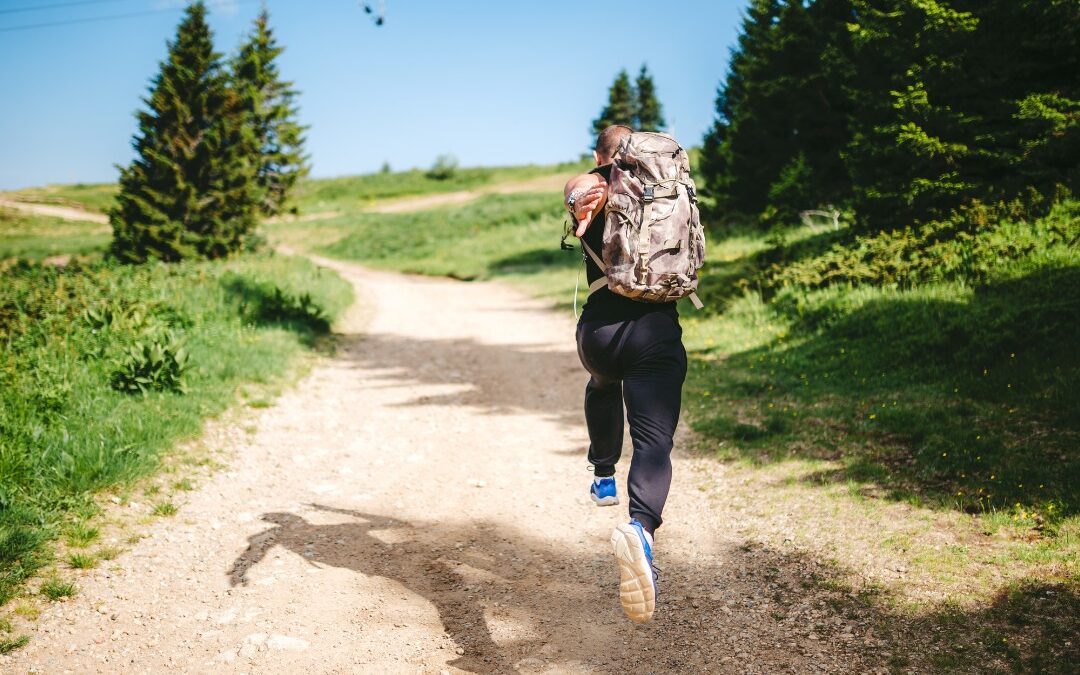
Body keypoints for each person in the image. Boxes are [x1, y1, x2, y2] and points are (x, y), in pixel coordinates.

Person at [563, 124, 688, 623]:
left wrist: (580, 201)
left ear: (601, 153)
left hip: (600, 332)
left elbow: (577, 190)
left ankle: (602, 474)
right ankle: (640, 529)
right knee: (654, 440)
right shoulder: (669, 189)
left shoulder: (594, 179)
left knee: (601, 383)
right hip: (655, 330)